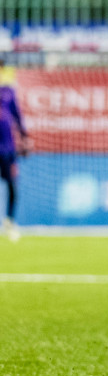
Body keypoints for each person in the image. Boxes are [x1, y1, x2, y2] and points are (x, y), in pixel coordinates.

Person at [0, 61, 28, 242]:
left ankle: (9, 221)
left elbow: (17, 115)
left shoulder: (9, 92)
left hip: (7, 148)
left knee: (12, 185)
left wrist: (25, 138)